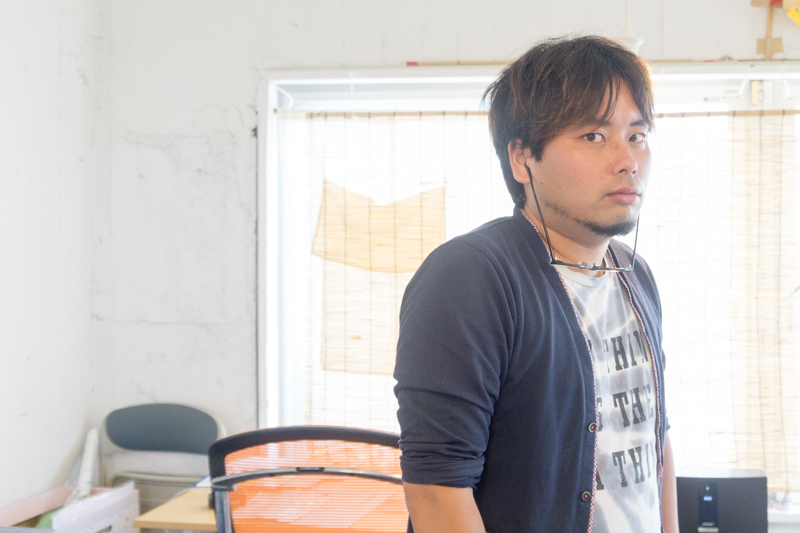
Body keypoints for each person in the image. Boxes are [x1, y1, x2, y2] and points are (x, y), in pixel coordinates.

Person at [393, 35, 678, 533]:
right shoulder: (470, 276)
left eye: (637, 135)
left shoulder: (637, 274)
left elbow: (654, 437)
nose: (627, 160)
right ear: (522, 158)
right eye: (594, 136)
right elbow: (437, 492)